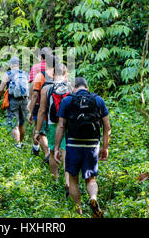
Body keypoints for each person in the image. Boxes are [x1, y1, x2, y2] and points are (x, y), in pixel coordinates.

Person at [53, 77, 111, 218]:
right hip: (92, 144)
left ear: (73, 88)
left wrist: (56, 148)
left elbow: (61, 125)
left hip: (73, 144)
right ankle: (93, 198)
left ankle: (78, 212)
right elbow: (107, 127)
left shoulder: (67, 100)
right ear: (87, 86)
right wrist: (105, 147)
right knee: (91, 179)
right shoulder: (98, 100)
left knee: (73, 180)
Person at [34, 63, 72, 194]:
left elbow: (42, 110)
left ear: (52, 74)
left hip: (52, 124)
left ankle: (54, 181)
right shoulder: (70, 87)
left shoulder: (47, 88)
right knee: (66, 151)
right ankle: (67, 182)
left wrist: (37, 131)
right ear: (65, 74)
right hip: (68, 124)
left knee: (52, 152)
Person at [0, 57, 29, 148]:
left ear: (11, 65)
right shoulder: (25, 74)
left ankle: (17, 145)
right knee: (22, 123)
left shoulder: (8, 74)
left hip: (13, 100)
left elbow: (1, 90)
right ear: (19, 65)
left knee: (14, 124)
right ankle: (21, 143)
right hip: (25, 100)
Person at [28, 54, 56, 162]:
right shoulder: (61, 76)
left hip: (43, 107)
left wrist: (31, 111)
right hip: (58, 108)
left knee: (41, 132)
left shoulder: (41, 76)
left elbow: (35, 95)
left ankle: (48, 154)